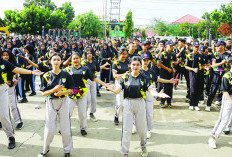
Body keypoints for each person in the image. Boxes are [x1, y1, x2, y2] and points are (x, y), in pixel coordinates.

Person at [107, 56, 169, 157]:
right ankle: (125, 151)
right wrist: (111, 89)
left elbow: (150, 90)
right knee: (126, 129)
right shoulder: (125, 77)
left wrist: (157, 94)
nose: (135, 66)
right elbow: (118, 90)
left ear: (140, 65)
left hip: (140, 103)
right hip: (127, 103)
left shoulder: (144, 77)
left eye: (138, 65)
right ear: (130, 66)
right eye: (133, 64)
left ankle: (143, 147)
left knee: (142, 129)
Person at [0, 49, 42, 149]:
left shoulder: (3, 62)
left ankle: (10, 136)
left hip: (2, 90)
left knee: (4, 115)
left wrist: (31, 72)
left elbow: (17, 69)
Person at [38, 53, 75, 157]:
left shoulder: (66, 74)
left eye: (58, 59)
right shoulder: (46, 75)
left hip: (63, 102)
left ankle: (67, 150)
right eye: (54, 59)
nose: (56, 62)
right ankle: (45, 149)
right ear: (50, 61)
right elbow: (43, 93)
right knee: (49, 128)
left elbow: (71, 89)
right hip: (50, 103)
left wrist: (62, 92)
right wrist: (53, 90)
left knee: (65, 128)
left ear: (61, 61)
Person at [65, 52, 108, 136]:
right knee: (68, 113)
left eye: (77, 58)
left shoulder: (85, 69)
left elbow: (94, 78)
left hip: (82, 94)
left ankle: (83, 128)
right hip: (71, 94)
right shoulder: (68, 69)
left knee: (82, 113)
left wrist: (105, 84)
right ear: (71, 60)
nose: (76, 60)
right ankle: (65, 128)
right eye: (74, 59)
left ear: (80, 59)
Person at [140, 53, 178, 139]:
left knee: (149, 113)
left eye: (147, 60)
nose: (146, 62)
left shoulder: (151, 71)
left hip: (150, 93)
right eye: (144, 60)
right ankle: (136, 126)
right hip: (139, 94)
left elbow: (157, 79)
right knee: (139, 113)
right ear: (141, 61)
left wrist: (169, 81)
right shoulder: (138, 71)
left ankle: (147, 130)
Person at [208, 57, 232, 149]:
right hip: (228, 98)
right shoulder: (227, 76)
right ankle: (213, 138)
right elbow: (224, 91)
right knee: (224, 120)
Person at [82, 48, 110, 122]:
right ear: (85, 55)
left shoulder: (94, 61)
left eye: (90, 53)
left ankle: (92, 113)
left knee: (93, 99)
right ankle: (83, 114)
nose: (89, 54)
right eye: (87, 53)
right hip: (86, 81)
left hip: (94, 81)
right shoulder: (83, 63)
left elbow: (97, 68)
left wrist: (104, 65)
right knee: (88, 99)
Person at [0, 49, 24, 130]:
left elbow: (19, 73)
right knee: (3, 107)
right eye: (3, 55)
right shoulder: (1, 63)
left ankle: (19, 122)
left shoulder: (13, 63)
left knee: (13, 105)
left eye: (7, 55)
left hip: (11, 87)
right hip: (1, 88)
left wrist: (17, 79)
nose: (5, 56)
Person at [206, 41, 231, 111]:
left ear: (223, 47)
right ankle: (208, 105)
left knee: (225, 90)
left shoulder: (228, 55)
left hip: (225, 74)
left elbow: (229, 64)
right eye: (216, 46)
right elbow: (213, 65)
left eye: (218, 46)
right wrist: (222, 62)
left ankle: (223, 105)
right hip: (216, 73)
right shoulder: (215, 54)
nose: (216, 47)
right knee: (213, 89)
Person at [185, 42, 205, 111]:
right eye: (195, 47)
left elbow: (203, 65)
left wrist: (205, 67)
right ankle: (191, 104)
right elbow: (186, 66)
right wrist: (193, 69)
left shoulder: (201, 55)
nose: (196, 48)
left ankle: (196, 104)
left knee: (199, 89)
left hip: (200, 73)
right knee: (193, 89)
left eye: (197, 47)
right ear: (192, 47)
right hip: (192, 73)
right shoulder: (189, 55)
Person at [112, 47, 129, 125]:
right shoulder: (116, 63)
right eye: (122, 54)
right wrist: (124, 74)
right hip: (118, 83)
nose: (124, 56)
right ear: (119, 54)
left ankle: (126, 118)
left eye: (125, 54)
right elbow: (115, 75)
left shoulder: (128, 62)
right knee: (120, 103)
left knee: (127, 102)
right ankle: (116, 116)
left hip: (127, 83)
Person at [158, 40, 177, 108]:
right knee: (164, 87)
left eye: (172, 46)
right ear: (166, 46)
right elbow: (159, 63)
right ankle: (162, 102)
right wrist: (167, 68)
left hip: (170, 73)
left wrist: (174, 67)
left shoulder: (173, 54)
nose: (171, 47)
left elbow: (174, 62)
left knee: (170, 87)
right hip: (164, 73)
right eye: (170, 46)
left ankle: (169, 102)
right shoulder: (162, 54)